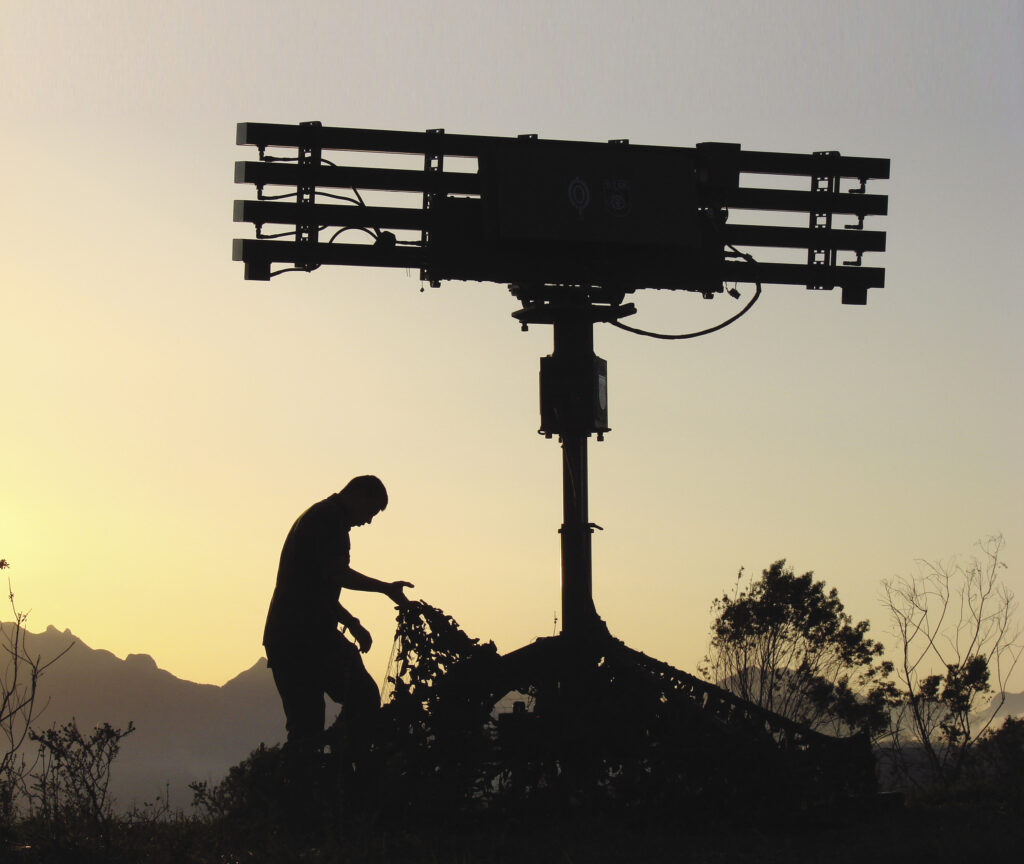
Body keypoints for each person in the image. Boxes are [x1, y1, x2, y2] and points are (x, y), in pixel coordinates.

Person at [263, 475, 413, 756]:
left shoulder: (323, 517)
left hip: (292, 637)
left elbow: (316, 588)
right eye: (371, 512)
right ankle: (343, 764)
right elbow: (336, 574)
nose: (368, 521)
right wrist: (385, 588)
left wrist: (351, 623)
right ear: (358, 495)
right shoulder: (327, 519)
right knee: (357, 698)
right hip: (303, 639)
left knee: (308, 724)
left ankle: (328, 764)